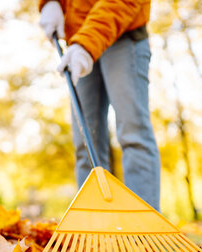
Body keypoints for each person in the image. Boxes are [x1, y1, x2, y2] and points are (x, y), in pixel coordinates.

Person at [38, 0, 161, 211]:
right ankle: (95, 228)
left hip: (124, 33)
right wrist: (50, 2)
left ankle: (142, 230)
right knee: (86, 142)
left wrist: (86, 45)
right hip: (77, 39)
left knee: (134, 134)